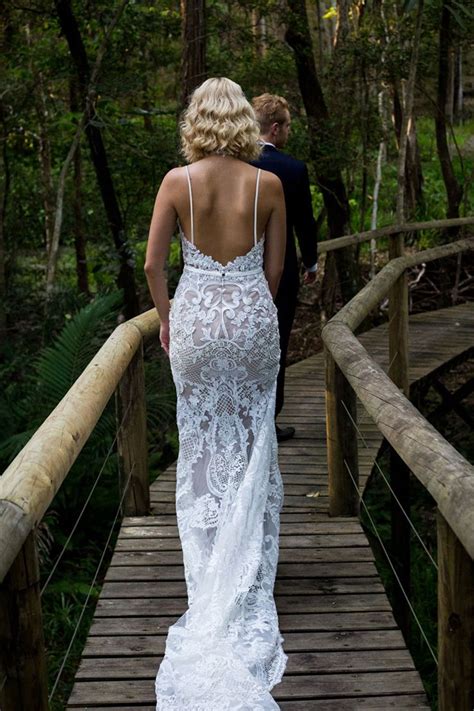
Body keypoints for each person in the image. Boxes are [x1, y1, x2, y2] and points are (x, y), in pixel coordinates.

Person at [144, 77, 288, 709]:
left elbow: (153, 264)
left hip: (199, 318)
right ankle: (246, 565)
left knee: (201, 442)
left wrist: (169, 316)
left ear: (197, 121)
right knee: (254, 438)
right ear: (245, 124)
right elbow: (275, 269)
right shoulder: (270, 185)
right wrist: (250, 305)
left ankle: (209, 571)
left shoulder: (179, 182)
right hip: (252, 317)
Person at [251, 94, 319, 442]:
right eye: (288, 125)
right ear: (275, 128)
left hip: (238, 270)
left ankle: (242, 417)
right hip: (283, 270)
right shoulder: (293, 169)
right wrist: (311, 260)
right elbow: (304, 224)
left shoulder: (237, 164)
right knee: (275, 343)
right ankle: (268, 420)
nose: (289, 131)